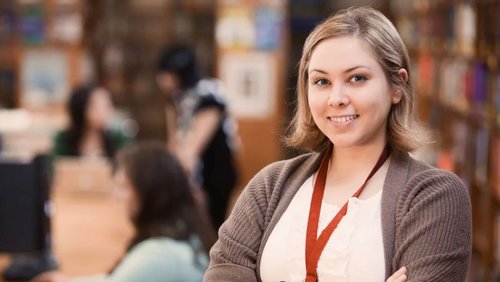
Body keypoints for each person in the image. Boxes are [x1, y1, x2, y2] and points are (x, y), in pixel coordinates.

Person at [204, 6, 471, 282]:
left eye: (357, 78)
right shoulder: (270, 186)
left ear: (397, 87)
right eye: (321, 81)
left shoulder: (434, 197)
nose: (336, 98)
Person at [33, 142, 216, 282]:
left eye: (123, 187)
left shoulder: (161, 255)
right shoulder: (182, 234)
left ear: (151, 192)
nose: (117, 196)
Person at [156, 44, 239, 230]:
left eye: (165, 73)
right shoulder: (176, 98)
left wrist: (188, 183)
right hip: (190, 174)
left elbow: (192, 148)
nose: (160, 79)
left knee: (209, 230)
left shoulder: (208, 96)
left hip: (213, 174)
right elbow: (174, 143)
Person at [52, 84, 131, 159]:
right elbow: (58, 166)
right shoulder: (64, 140)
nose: (104, 112)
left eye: (107, 105)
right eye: (98, 107)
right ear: (82, 109)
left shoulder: (118, 139)